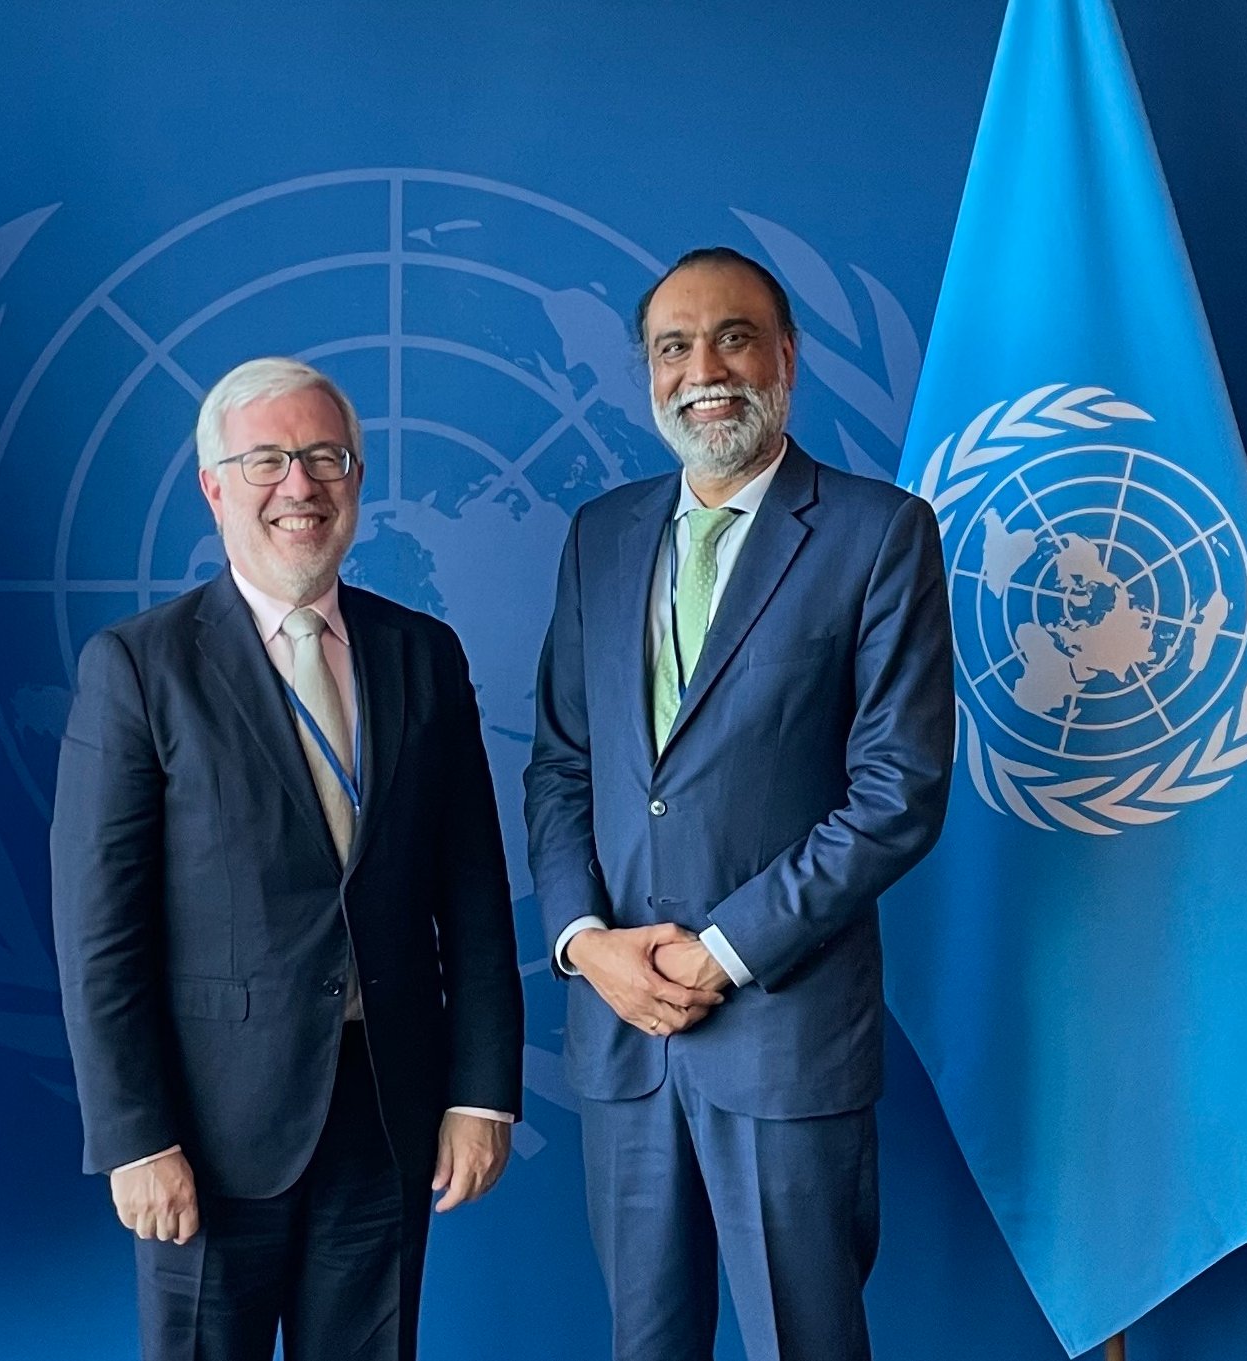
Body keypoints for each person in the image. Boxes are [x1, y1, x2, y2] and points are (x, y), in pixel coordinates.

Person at [525, 248, 955, 1359]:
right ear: (648, 372)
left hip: (784, 1032)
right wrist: (584, 943)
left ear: (787, 358)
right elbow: (563, 764)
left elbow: (898, 791)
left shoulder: (877, 532)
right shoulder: (600, 536)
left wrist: (723, 950)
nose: (703, 371)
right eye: (673, 347)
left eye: (733, 338)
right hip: (623, 1034)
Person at [52, 357, 524, 1361]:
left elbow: (475, 896)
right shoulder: (138, 666)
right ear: (214, 486)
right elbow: (99, 932)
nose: (299, 484)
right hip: (207, 1132)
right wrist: (134, 1136)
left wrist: (480, 1092)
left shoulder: (422, 653)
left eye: (324, 457)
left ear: (356, 478)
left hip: (387, 1113)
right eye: (266, 460)